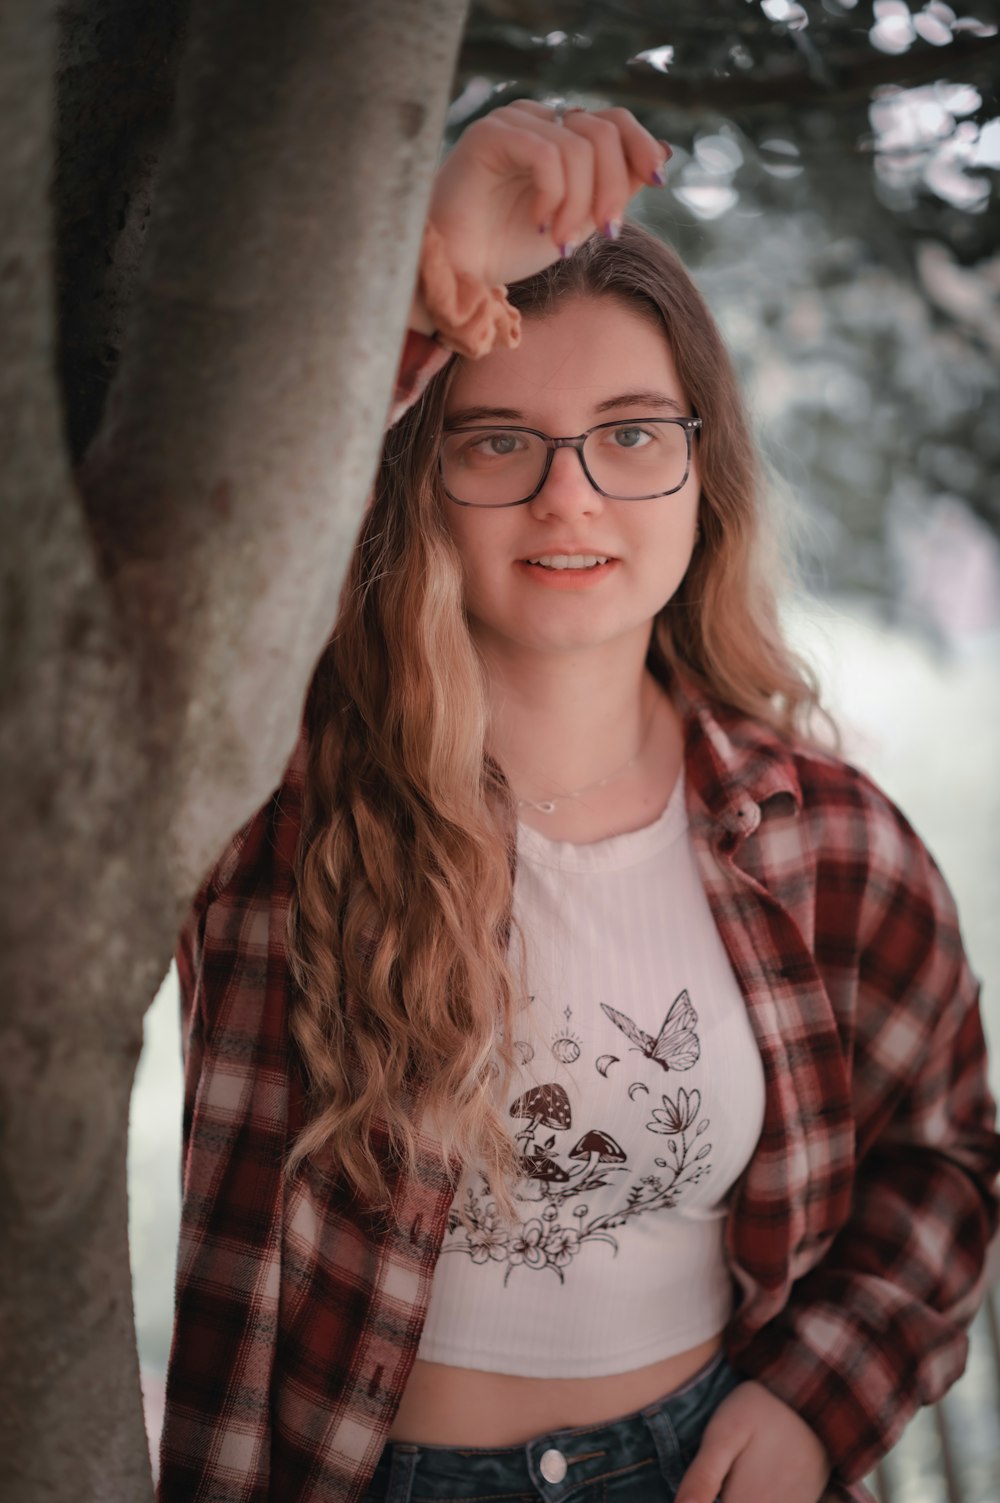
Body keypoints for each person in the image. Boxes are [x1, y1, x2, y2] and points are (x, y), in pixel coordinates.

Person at [157, 102, 1000, 1503]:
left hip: (694, 1468)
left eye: (628, 435)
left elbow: (949, 1162)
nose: (571, 500)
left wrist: (815, 1398)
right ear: (418, 480)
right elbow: (187, 571)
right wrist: (413, 283)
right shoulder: (281, 800)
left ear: (700, 473)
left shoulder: (831, 841)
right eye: (496, 442)